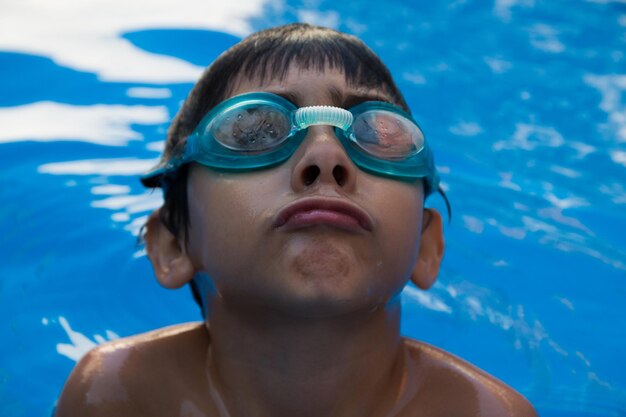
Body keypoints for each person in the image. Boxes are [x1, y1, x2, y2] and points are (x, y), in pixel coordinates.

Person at [55, 23, 537, 417]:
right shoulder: (119, 397)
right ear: (174, 245)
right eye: (254, 132)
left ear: (427, 246)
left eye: (377, 135)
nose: (326, 156)